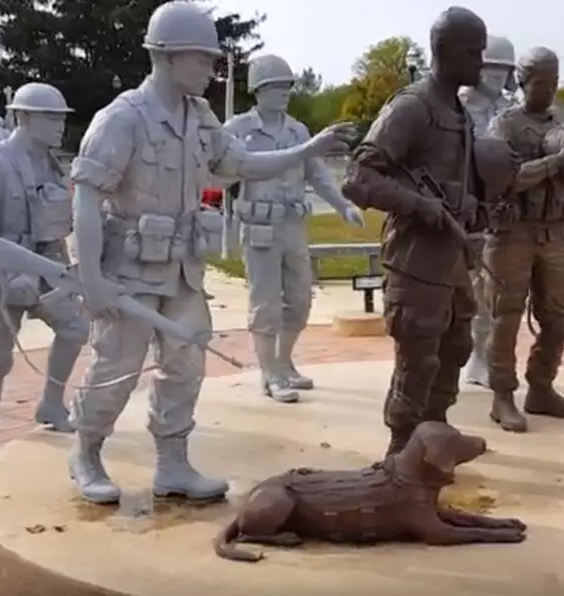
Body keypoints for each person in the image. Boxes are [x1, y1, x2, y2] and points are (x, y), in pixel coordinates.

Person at [69, 0, 355, 504]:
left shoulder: (199, 118)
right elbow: (87, 197)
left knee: (186, 367)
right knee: (116, 368)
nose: (211, 69)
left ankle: (173, 464)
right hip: (131, 271)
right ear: (168, 57)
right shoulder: (122, 119)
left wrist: (306, 152)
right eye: (202, 59)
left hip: (182, 270)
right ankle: (87, 453)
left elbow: (242, 163)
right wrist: (90, 278)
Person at [342, 6, 488, 456]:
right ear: (443, 50)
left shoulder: (457, 111)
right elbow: (358, 178)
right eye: (472, 52)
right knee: (418, 358)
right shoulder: (412, 107)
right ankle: (401, 449)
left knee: (456, 346)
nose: (480, 62)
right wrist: (421, 205)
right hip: (415, 259)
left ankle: (434, 432)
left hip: (452, 257)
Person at [0, 83, 89, 463]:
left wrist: (62, 269)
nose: (58, 125)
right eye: (49, 117)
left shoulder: (51, 164)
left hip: (43, 269)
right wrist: (6, 277)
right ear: (22, 117)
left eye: (61, 118)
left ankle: (51, 404)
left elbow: (53, 223)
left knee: (76, 328)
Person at [223, 54, 364, 404]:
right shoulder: (238, 130)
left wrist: (343, 205)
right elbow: (220, 171)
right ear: (258, 90)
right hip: (259, 228)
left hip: (292, 226)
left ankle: (284, 363)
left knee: (300, 300)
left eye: (287, 87)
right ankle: (269, 373)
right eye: (275, 87)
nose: (283, 93)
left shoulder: (298, 131)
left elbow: (317, 174)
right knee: (265, 304)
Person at [484, 47, 564, 433]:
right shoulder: (505, 126)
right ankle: (502, 396)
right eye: (540, 83)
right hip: (512, 234)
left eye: (553, 83)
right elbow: (503, 179)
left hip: (553, 234)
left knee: (560, 315)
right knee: (507, 316)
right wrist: (555, 164)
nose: (548, 91)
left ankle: (541, 387)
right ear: (522, 83)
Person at [458, 34, 516, 388]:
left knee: (496, 294)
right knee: (469, 293)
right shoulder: (457, 107)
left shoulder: (513, 110)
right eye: (490, 70)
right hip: (466, 213)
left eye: (503, 71)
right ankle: (468, 357)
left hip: (504, 213)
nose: (496, 77)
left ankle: (485, 357)